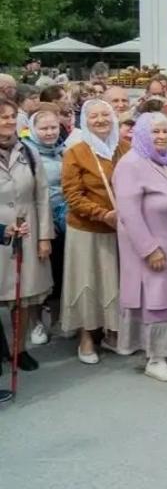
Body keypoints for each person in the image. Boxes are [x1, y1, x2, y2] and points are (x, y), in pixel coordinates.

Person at [113, 112, 167, 382]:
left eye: (165, 131)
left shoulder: (166, 161)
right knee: (156, 301)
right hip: (153, 249)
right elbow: (128, 213)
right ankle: (155, 358)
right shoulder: (131, 164)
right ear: (141, 134)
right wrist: (149, 249)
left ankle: (166, 350)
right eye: (155, 132)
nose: (161, 136)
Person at [59, 99, 126, 362]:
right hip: (87, 229)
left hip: (119, 229)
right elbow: (72, 195)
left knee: (114, 282)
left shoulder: (124, 148)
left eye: (105, 115)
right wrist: (103, 214)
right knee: (87, 284)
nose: (100, 120)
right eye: (94, 116)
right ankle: (86, 336)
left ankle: (112, 331)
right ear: (84, 120)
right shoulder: (76, 152)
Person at [0, 98, 53, 375]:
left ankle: (19, 350)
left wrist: (44, 236)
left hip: (27, 231)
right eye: (2, 117)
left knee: (21, 299)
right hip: (1, 235)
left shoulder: (28, 152)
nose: (8, 122)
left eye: (11, 117)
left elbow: (42, 196)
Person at [24, 106, 65, 346]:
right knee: (37, 274)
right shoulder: (27, 153)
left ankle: (58, 319)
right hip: (38, 219)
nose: (50, 132)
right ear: (32, 129)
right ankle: (35, 322)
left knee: (58, 271)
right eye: (44, 128)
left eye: (54, 127)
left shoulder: (63, 150)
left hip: (62, 218)